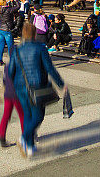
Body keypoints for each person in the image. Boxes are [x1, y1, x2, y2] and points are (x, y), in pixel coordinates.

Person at [7, 22, 67, 157]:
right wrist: (61, 84)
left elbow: (10, 71)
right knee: (38, 116)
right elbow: (49, 68)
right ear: (34, 34)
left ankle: (30, 147)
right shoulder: (40, 48)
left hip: (20, 88)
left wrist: (9, 87)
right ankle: (24, 137)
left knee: (28, 116)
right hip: (37, 86)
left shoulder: (16, 49)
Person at [0, 60, 24, 148]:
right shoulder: (21, 66)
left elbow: (4, 80)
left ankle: (1, 137)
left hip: (8, 94)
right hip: (18, 94)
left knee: (6, 116)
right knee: (23, 115)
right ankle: (26, 136)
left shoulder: (7, 65)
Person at [0, 0, 18, 65]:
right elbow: (18, 7)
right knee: (10, 46)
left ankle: (0, 60)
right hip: (7, 29)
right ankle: (11, 61)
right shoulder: (8, 10)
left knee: (1, 45)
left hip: (0, 29)